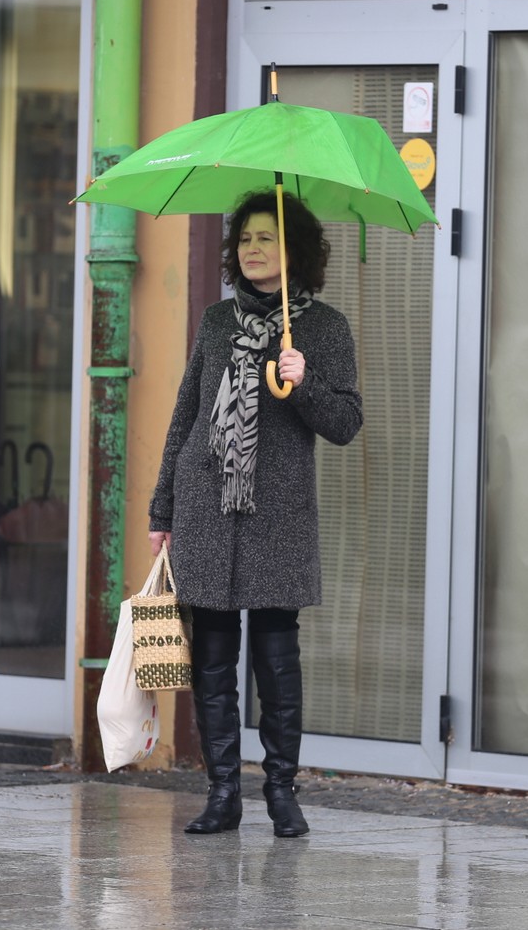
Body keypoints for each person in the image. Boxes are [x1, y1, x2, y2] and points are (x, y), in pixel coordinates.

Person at [148, 189, 362, 838]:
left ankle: (281, 792)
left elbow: (347, 422)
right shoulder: (216, 323)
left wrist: (304, 382)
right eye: (244, 239)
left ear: (295, 249)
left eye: (266, 237)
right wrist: (163, 505)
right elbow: (185, 415)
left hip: (277, 517)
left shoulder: (323, 328)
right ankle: (221, 793)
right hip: (209, 507)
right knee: (212, 655)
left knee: (276, 656)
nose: (253, 249)